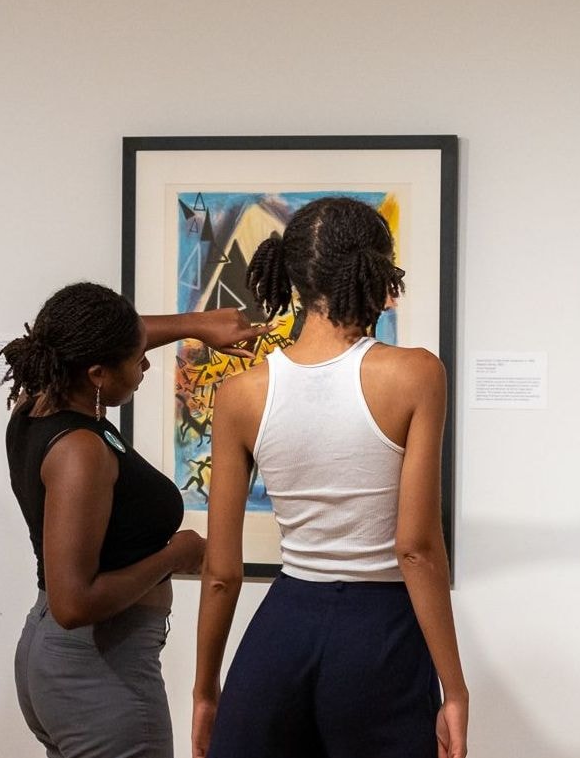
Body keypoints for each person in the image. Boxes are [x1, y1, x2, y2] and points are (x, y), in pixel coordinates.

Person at [192, 197, 469, 758]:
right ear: (379, 272)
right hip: (380, 633)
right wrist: (454, 689)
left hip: (282, 629)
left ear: (293, 275)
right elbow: (415, 548)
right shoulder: (416, 373)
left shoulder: (241, 393)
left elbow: (221, 572)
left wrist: (204, 689)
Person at [0, 282, 264, 758]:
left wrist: (196, 326)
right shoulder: (80, 452)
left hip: (60, 661)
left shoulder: (39, 400)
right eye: (136, 358)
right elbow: (74, 603)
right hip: (99, 674)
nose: (145, 363)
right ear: (97, 372)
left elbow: (103, 337)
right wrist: (173, 556)